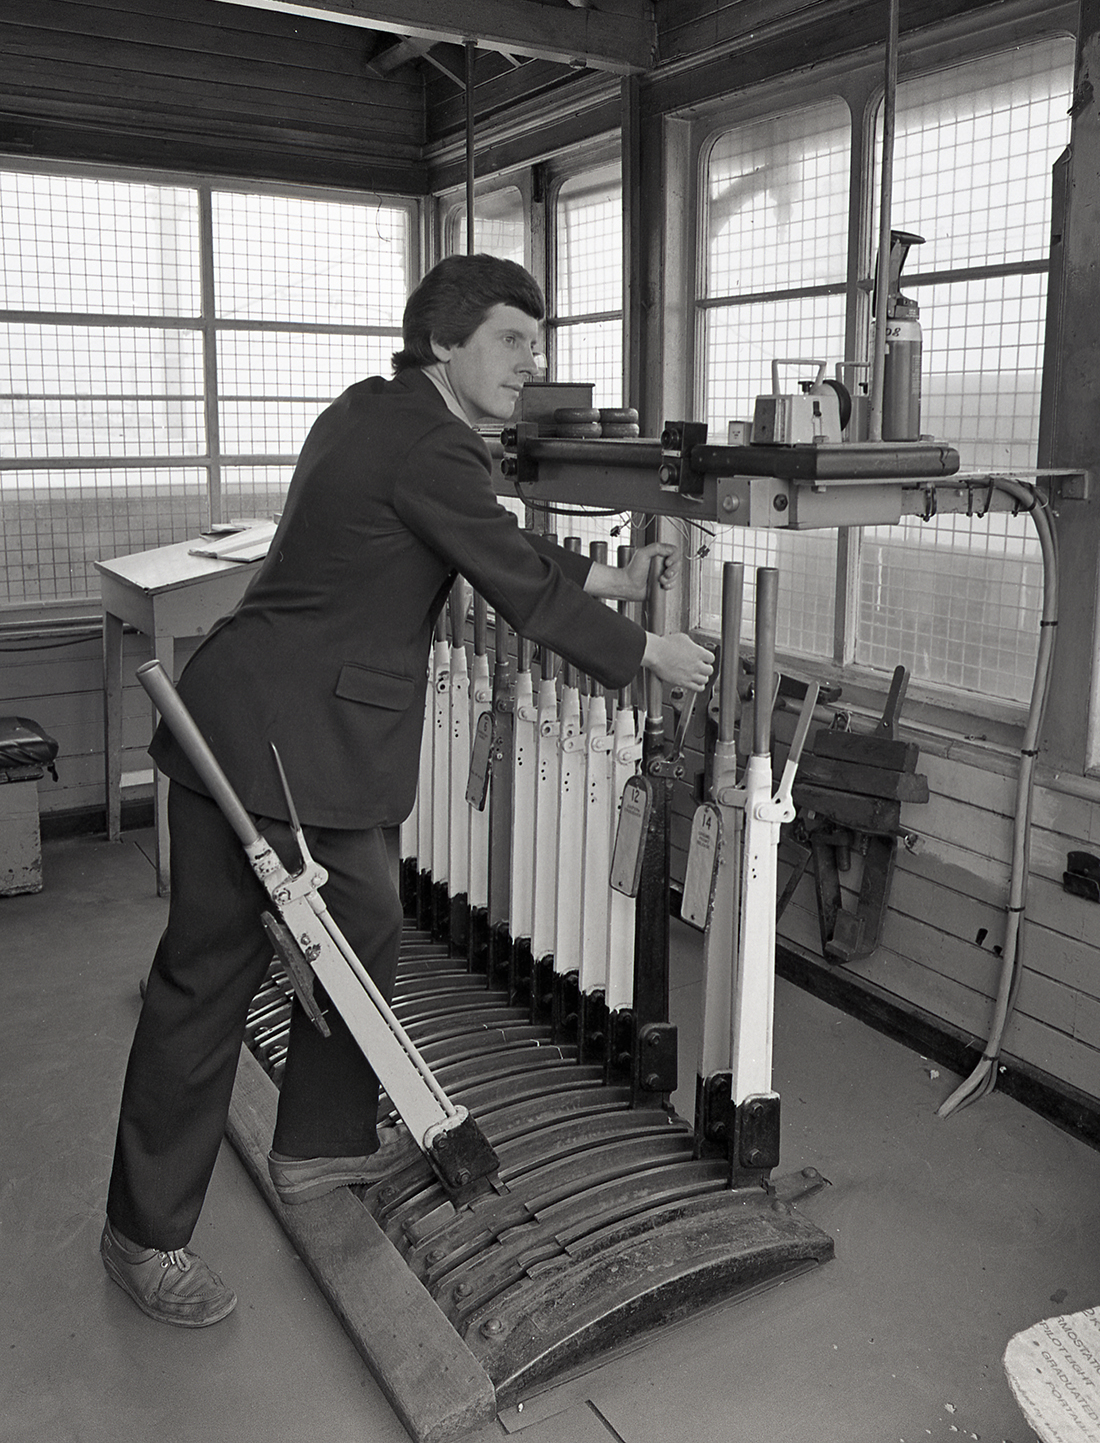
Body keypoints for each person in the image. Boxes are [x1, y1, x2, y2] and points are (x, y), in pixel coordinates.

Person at [100, 253, 714, 1328]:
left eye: (537, 340)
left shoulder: (376, 411)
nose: (533, 362)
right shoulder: (431, 439)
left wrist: (608, 578)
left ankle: (321, 1143)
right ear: (445, 342)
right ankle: (143, 1237)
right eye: (511, 340)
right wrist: (647, 649)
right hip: (281, 744)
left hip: (273, 724)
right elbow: (504, 575)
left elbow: (478, 538)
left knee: (366, 915)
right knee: (207, 979)